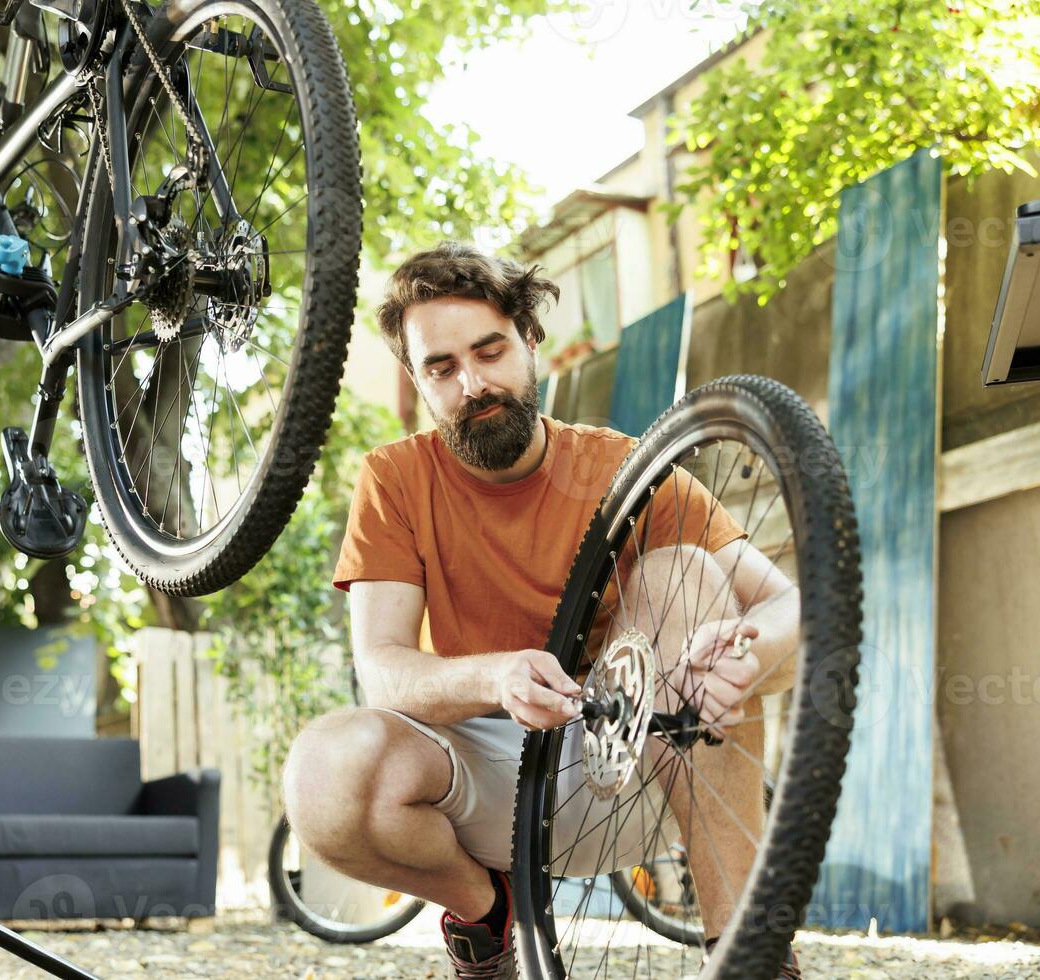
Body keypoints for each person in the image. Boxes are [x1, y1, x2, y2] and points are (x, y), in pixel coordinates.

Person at [282, 242, 802, 979]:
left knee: (683, 569)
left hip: (647, 760)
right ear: (418, 379)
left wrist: (748, 652)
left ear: (529, 340)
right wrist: (496, 678)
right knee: (322, 774)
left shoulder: (625, 465)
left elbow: (791, 604)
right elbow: (385, 671)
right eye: (442, 367)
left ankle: (748, 951)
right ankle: (486, 914)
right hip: (487, 784)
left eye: (489, 351)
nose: (472, 383)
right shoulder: (394, 480)